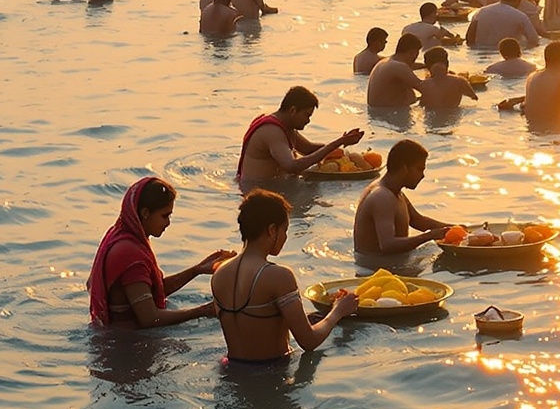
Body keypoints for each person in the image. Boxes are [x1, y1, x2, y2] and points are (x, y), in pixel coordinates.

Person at [208, 189, 356, 362]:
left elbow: (253, 324)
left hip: (231, 368)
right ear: (272, 230)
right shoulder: (278, 276)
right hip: (273, 372)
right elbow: (309, 341)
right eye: (285, 230)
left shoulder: (220, 273)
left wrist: (298, 319)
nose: (285, 237)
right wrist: (338, 311)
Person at [87, 176, 227, 327]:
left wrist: (196, 270)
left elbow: (149, 293)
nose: (168, 223)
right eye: (164, 215)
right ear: (145, 213)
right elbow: (150, 318)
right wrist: (203, 311)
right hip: (125, 344)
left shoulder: (123, 237)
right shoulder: (129, 254)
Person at [236, 87, 363, 184]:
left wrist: (341, 144)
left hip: (275, 186)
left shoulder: (285, 125)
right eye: (307, 115)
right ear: (292, 110)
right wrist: (337, 143)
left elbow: (307, 149)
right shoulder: (272, 130)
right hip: (257, 190)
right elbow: (292, 166)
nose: (308, 121)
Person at [353, 140, 453, 262]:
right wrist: (429, 236)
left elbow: (418, 220)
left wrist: (454, 228)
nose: (422, 175)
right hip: (377, 271)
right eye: (419, 169)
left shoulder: (394, 191)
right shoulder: (382, 197)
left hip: (391, 265)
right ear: (405, 168)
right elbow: (388, 245)